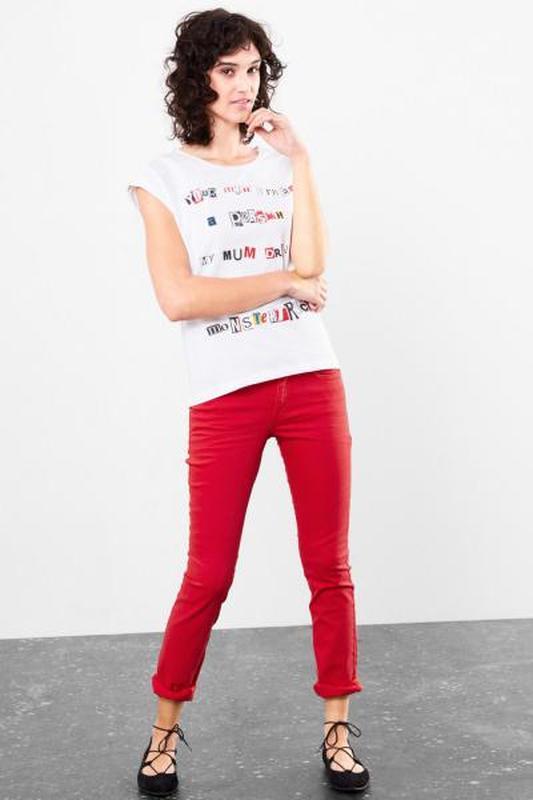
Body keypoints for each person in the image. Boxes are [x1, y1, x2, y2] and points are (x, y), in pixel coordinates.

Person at [127, 8, 370, 796]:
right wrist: (281, 284)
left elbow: (313, 264)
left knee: (328, 565)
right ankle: (163, 734)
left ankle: (337, 730)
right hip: (224, 394)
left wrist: (300, 161)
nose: (244, 84)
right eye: (227, 69)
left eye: (254, 69)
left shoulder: (277, 165)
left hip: (310, 380)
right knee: (208, 574)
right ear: (196, 77)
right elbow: (179, 297)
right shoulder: (162, 178)